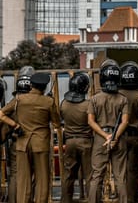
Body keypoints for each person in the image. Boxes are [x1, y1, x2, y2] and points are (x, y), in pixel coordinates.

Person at [0, 72, 61, 203]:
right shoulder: (48, 101)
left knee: (23, 180)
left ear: (31, 85)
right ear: (44, 87)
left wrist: (15, 125)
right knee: (42, 180)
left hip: (22, 144)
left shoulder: (20, 99)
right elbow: (56, 123)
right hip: (40, 144)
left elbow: (0, 114)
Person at [88, 59, 129, 203]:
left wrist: (106, 136)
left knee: (97, 176)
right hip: (119, 138)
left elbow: (90, 121)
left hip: (101, 139)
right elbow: (125, 121)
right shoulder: (123, 99)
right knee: (120, 176)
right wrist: (115, 137)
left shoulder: (94, 99)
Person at [118, 61, 138, 203]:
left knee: (119, 171)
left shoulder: (117, 94)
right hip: (135, 136)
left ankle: (121, 198)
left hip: (119, 136)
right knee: (133, 171)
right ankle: (132, 198)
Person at [60, 71, 93, 203]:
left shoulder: (64, 104)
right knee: (90, 176)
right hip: (86, 142)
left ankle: (65, 200)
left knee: (68, 175)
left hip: (69, 142)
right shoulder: (88, 105)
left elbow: (60, 119)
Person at [7, 72, 33, 203]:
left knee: (14, 175)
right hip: (33, 143)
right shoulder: (35, 102)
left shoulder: (14, 103)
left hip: (16, 141)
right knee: (30, 174)